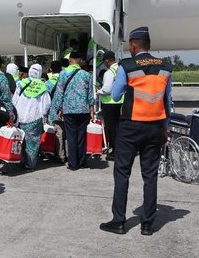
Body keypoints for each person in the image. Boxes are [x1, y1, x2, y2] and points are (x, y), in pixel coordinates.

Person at [100, 27, 172, 236]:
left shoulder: (127, 65)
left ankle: (119, 221)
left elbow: (114, 95)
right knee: (150, 175)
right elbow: (168, 100)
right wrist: (165, 127)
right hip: (156, 127)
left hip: (130, 127)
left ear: (133, 45)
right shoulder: (165, 66)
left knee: (122, 173)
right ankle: (148, 224)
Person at [51, 51, 94, 170]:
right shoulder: (86, 74)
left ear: (70, 60)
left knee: (71, 136)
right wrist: (92, 108)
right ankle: (82, 161)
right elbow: (90, 94)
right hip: (83, 109)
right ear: (79, 60)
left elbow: (59, 92)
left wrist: (57, 108)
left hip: (69, 110)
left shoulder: (63, 74)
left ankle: (73, 163)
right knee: (82, 136)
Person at [13, 64, 51, 170]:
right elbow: (46, 104)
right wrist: (44, 116)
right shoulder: (43, 86)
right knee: (32, 143)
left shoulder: (21, 83)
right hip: (35, 117)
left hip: (20, 117)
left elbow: (14, 100)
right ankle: (30, 164)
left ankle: (20, 160)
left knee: (21, 140)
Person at [97, 51, 123, 160]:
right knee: (118, 128)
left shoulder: (109, 72)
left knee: (111, 128)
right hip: (120, 102)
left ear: (107, 61)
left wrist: (99, 91)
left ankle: (114, 151)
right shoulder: (120, 69)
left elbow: (107, 89)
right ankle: (119, 149)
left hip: (109, 103)